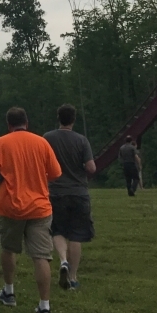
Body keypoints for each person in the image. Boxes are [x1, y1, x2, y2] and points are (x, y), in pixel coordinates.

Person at [0, 107, 62, 313]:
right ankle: (44, 306)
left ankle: (9, 292)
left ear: (9, 125)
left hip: (11, 206)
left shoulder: (1, 143)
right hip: (39, 207)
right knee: (41, 256)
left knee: (8, 249)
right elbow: (54, 173)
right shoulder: (41, 143)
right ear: (27, 122)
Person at [43, 105, 95, 292]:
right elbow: (91, 168)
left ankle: (63, 260)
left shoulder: (47, 138)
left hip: (55, 191)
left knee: (57, 230)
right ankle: (72, 277)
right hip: (78, 192)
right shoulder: (82, 140)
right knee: (76, 234)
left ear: (59, 118)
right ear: (73, 120)